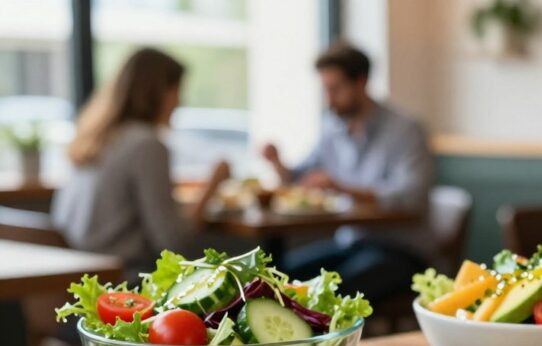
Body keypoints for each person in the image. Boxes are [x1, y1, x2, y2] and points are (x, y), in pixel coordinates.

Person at [261, 41, 433, 300]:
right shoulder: (333, 128)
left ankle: (330, 340)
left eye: (335, 89)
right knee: (279, 278)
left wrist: (341, 188)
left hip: (401, 251)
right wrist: (277, 163)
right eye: (325, 90)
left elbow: (412, 197)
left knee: (327, 295)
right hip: (353, 243)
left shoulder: (405, 129)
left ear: (361, 82)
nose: (329, 99)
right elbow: (301, 177)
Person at [53, 48, 231, 276]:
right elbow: (173, 242)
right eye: (176, 91)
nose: (180, 102)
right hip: (127, 283)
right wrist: (213, 185)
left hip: (82, 276)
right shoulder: (146, 145)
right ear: (157, 92)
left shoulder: (93, 137)